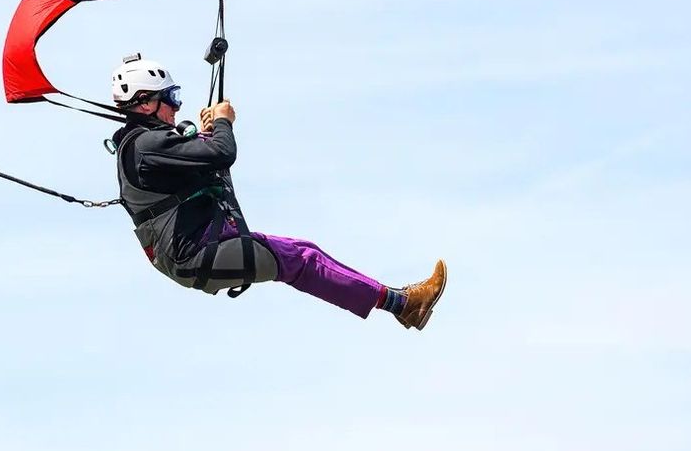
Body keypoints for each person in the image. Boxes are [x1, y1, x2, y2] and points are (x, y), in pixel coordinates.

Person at [108, 54, 447, 329]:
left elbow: (206, 162)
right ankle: (403, 305)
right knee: (301, 261)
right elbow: (224, 154)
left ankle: (403, 303)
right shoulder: (148, 144)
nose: (176, 107)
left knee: (303, 251)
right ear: (145, 103)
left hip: (198, 249)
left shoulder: (147, 145)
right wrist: (224, 122)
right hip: (196, 256)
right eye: (171, 98)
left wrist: (210, 131)